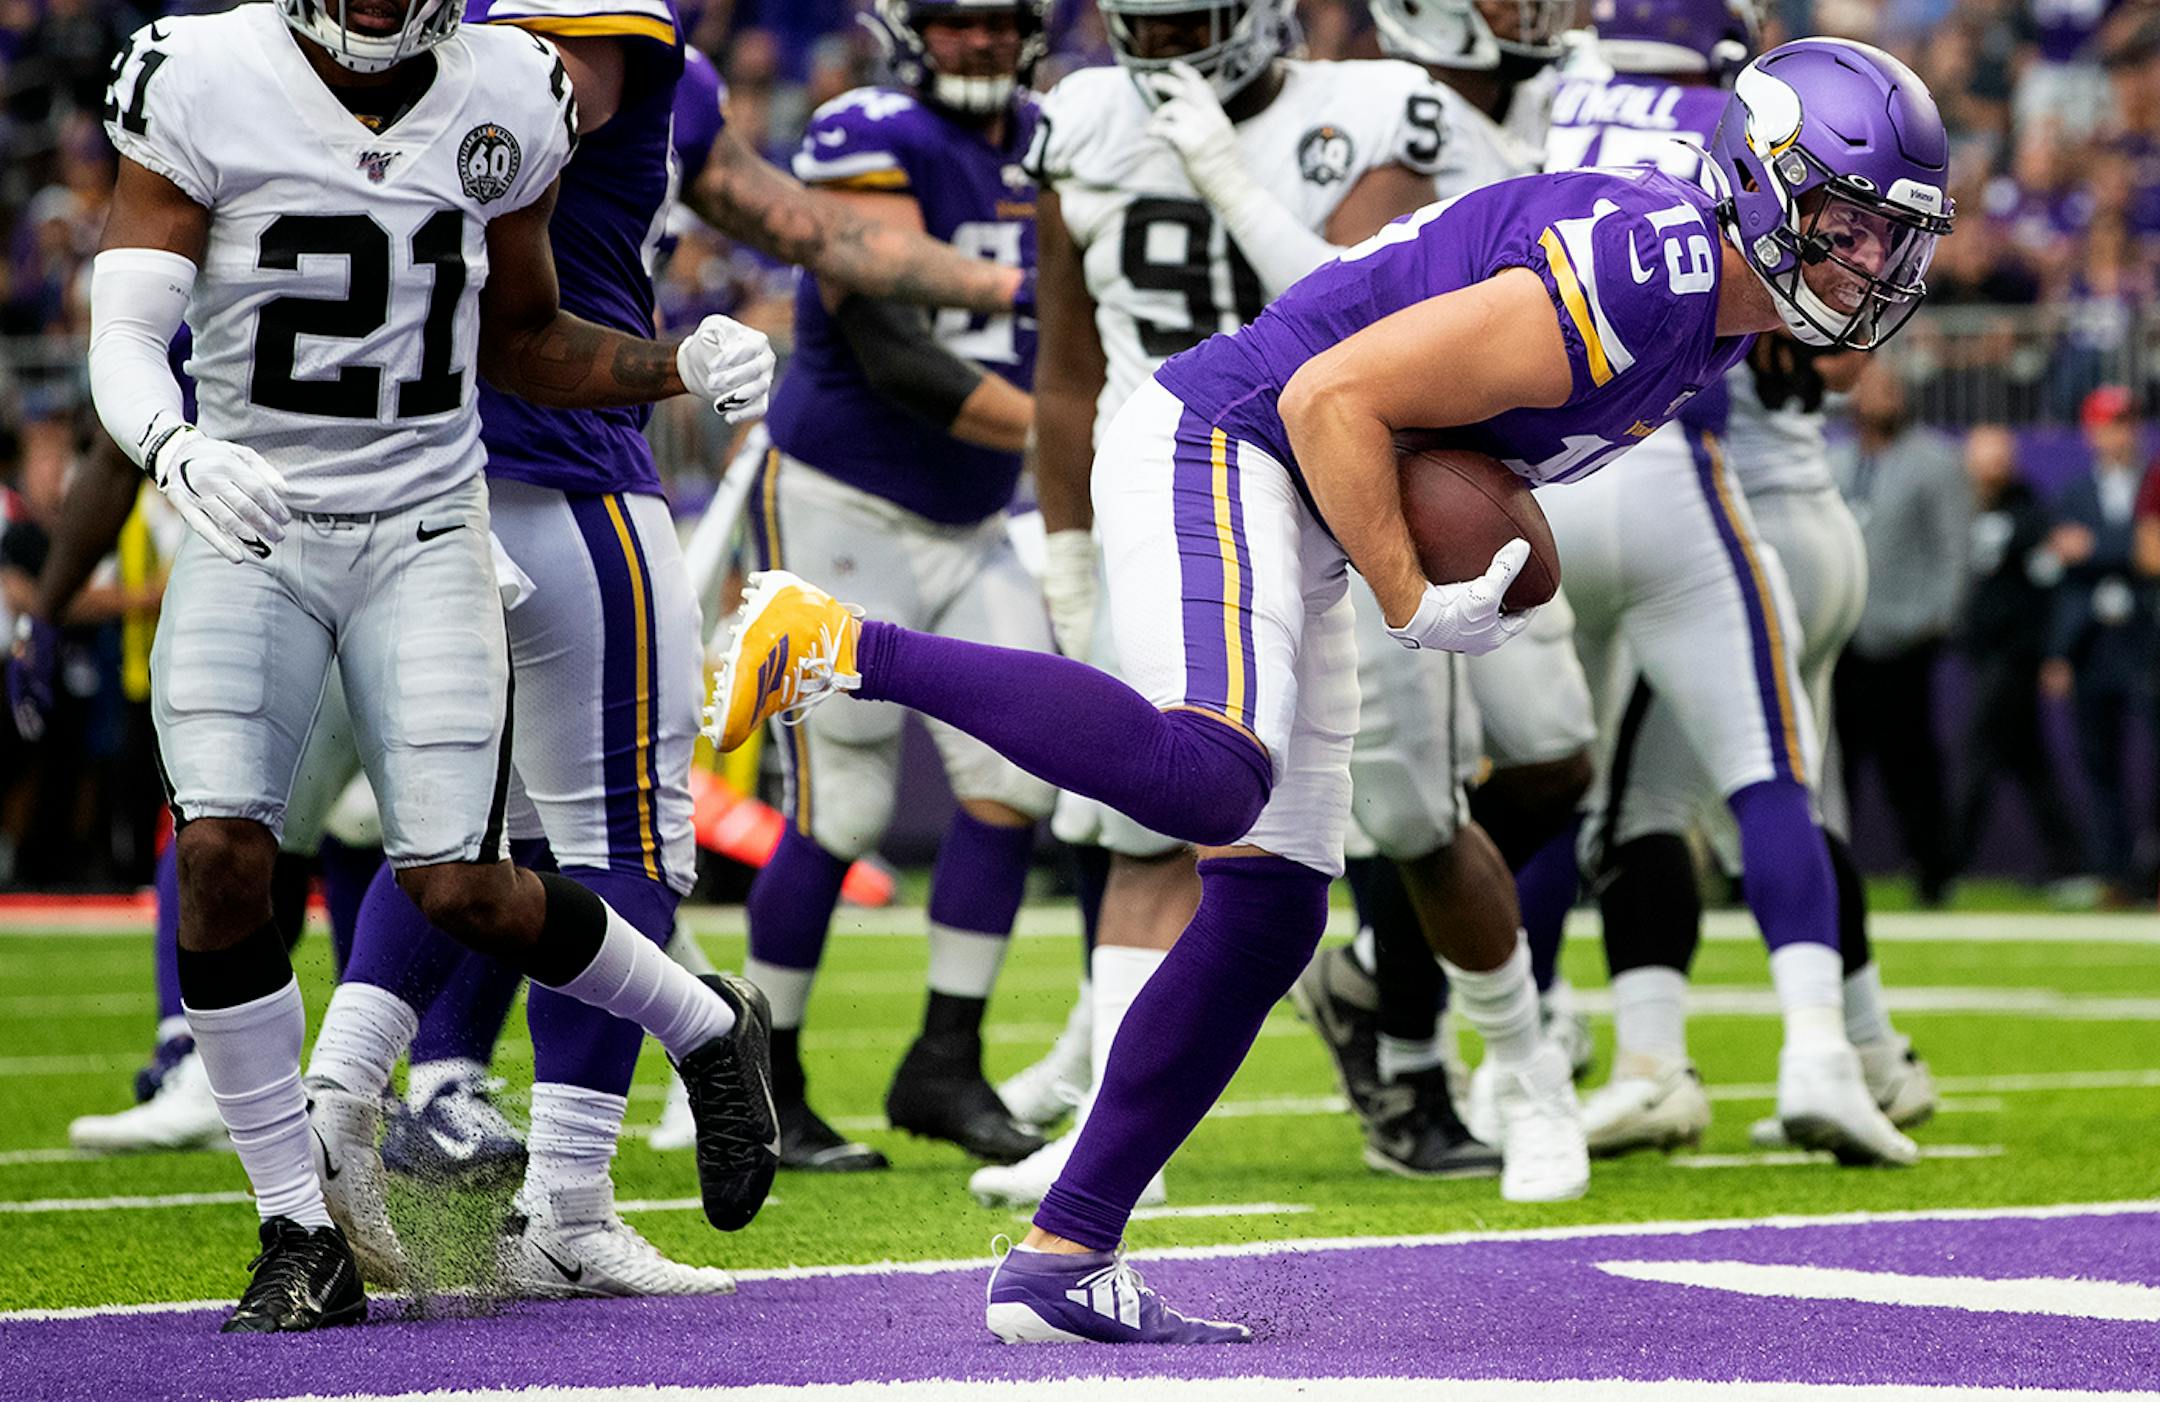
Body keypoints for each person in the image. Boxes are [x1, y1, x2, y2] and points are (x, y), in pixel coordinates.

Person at [709, 36, 1954, 1344]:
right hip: (1233, 435)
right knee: (1212, 772)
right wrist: (1413, 595)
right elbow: (1331, 392)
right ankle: (839, 639)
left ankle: (1066, 1252)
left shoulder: (1696, 316)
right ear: (1760, 180)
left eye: (1892, 243)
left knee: (1270, 908)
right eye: (1845, 226)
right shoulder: (1653, 275)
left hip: (1293, 488)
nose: (1869, 267)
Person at [90, 0, 781, 1331]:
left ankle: (703, 1023)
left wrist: (671, 361)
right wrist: (176, 451)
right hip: (253, 513)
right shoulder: (201, 69)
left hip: (426, 523)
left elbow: (524, 338)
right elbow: (122, 333)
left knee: (462, 881)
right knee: (224, 851)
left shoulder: (513, 84)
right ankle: (297, 1227)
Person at [969, 0, 1459, 1208]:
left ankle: (1483, 1075)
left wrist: (1233, 177)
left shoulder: (1360, 108)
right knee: (1153, 821)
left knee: (1403, 820)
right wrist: (1072, 543)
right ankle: (1117, 1144)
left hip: (1334, 506)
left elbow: (1390, 310)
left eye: (1189, 17)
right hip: (1168, 484)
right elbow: (1068, 365)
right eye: (1144, 20)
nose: (1164, 43)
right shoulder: (1081, 119)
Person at [1542, 1, 1934, 1161]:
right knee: (1787, 797)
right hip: (1795, 510)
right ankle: (1871, 1048)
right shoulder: (1749, 144)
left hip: (1721, 498)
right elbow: (1848, 330)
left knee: (1644, 803)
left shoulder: (1578, 121)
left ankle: (1646, 1056)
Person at [739, 0, 1053, 1173]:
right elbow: (899, 356)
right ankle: (767, 1074)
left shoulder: (1055, 132)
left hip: (971, 517)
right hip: (843, 499)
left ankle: (943, 1062)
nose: (979, 43)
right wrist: (1067, 432)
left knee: (1017, 780)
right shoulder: (866, 130)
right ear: (913, 32)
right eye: (958, 24)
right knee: (848, 802)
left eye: (1000, 24)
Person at [1288, 0, 1591, 1185]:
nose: (1538, 15)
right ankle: (1414, 1063)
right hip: (1393, 466)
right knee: (1412, 805)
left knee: (1557, 755)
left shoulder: (1527, 96)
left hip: (1483, 469)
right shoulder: (1373, 106)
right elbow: (1354, 313)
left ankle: (1374, 965)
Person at [1831, 360, 1970, 907]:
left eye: (1889, 387)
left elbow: (1954, 547)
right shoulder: (1833, 459)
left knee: (1912, 764)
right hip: (1840, 633)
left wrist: (1936, 617)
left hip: (1903, 638)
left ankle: (1934, 871)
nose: (1879, 397)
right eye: (1870, 387)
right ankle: (1829, 869)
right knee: (1834, 762)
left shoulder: (1935, 460)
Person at [1953, 424, 2083, 886]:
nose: (1989, 466)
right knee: (2030, 762)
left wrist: (2050, 652)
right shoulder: (1960, 504)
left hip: (2014, 654)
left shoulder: (2029, 510)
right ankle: (2070, 860)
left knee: (1979, 754)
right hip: (1981, 651)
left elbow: (2045, 584)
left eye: (1997, 457)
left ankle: (1947, 862)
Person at [2043, 384, 2156, 902]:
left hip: (2146, 636)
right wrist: (2059, 653)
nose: (2119, 433)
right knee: (2098, 764)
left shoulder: (2151, 482)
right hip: (2092, 641)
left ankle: (2151, 870)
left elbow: (2148, 556)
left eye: (2126, 422)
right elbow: (2065, 562)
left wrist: (2099, 547)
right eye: (2110, 422)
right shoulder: (2072, 492)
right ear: (2091, 431)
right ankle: (2113, 873)